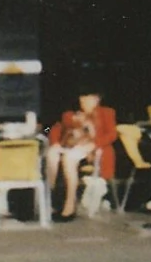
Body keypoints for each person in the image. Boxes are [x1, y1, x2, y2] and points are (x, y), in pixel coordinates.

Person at [44, 89, 119, 219]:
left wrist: (94, 143)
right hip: (72, 146)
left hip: (94, 149)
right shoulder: (70, 115)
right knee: (51, 154)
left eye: (87, 98)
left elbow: (112, 134)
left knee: (69, 158)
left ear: (97, 99)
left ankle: (69, 205)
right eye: (82, 98)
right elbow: (53, 128)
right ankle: (48, 197)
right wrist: (55, 141)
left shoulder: (106, 113)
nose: (83, 101)